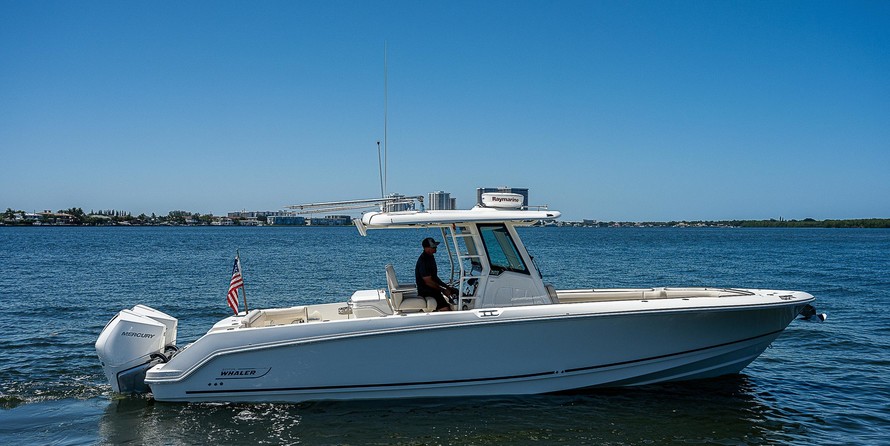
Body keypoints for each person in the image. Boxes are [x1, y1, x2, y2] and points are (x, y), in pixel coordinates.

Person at [415, 237, 457, 311]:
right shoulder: (424, 261)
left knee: (455, 291)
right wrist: (443, 290)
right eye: (433, 247)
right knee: (445, 308)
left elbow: (435, 277)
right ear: (426, 248)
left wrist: (447, 287)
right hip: (426, 291)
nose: (436, 248)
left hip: (431, 289)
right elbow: (428, 281)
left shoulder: (430, 257)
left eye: (435, 246)